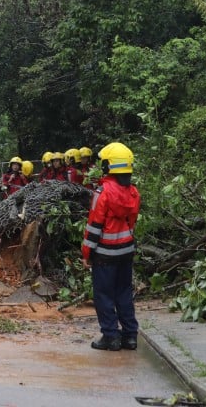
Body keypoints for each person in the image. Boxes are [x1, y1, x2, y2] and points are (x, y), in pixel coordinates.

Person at [82, 142, 141, 351]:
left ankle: (110, 336)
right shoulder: (133, 191)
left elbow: (94, 225)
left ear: (109, 165)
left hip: (105, 254)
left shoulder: (102, 192)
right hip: (126, 250)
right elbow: (132, 222)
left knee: (104, 294)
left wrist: (86, 253)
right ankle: (130, 336)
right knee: (124, 292)